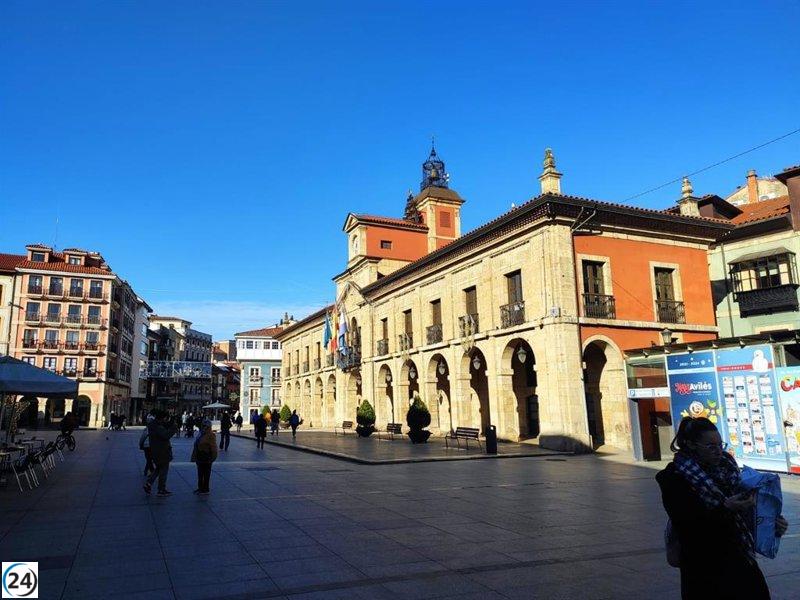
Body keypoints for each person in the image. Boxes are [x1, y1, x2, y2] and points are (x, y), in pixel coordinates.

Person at [656, 417, 789, 600]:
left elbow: (747, 517)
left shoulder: (730, 470)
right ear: (690, 445)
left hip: (741, 559)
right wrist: (726, 508)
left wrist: (771, 523)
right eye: (710, 446)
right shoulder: (674, 478)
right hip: (705, 568)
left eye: (720, 445)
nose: (719, 451)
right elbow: (688, 524)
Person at [144, 410, 179, 496]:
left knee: (159, 468)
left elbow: (165, 426)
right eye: (165, 419)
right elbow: (165, 435)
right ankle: (161, 489)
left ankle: (149, 483)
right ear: (162, 418)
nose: (165, 420)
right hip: (162, 451)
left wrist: (170, 422)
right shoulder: (157, 427)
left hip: (156, 450)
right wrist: (174, 429)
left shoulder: (154, 425)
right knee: (163, 470)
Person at [191, 419, 218, 494]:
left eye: (205, 426)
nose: (203, 427)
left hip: (206, 457)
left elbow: (214, 448)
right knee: (200, 474)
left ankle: (205, 489)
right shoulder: (201, 434)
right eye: (203, 426)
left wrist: (213, 458)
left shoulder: (211, 435)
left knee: (206, 474)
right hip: (199, 456)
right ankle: (200, 488)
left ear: (209, 426)